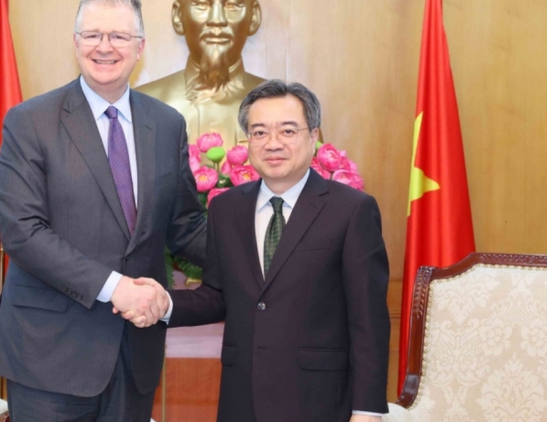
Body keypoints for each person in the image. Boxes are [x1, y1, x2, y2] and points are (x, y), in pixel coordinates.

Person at [127, 80, 390, 421]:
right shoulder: (227, 208)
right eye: (260, 132)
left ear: (313, 136)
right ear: (248, 141)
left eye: (288, 131)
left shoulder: (351, 210)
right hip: (242, 399)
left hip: (319, 401)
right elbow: (218, 295)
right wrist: (164, 303)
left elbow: (369, 319)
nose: (273, 143)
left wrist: (367, 411)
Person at [0, 0, 206, 420]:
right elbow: (22, 231)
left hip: (134, 353)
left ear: (140, 47)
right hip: (49, 356)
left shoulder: (167, 124)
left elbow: (185, 224)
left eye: (119, 36)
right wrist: (115, 287)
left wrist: (264, 256)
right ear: (76, 43)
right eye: (92, 35)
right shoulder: (30, 121)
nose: (104, 47)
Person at [136, 0, 265, 149]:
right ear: (178, 16)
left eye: (233, 5)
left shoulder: (279, 105)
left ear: (254, 17)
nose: (217, 20)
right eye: (201, 4)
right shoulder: (141, 106)